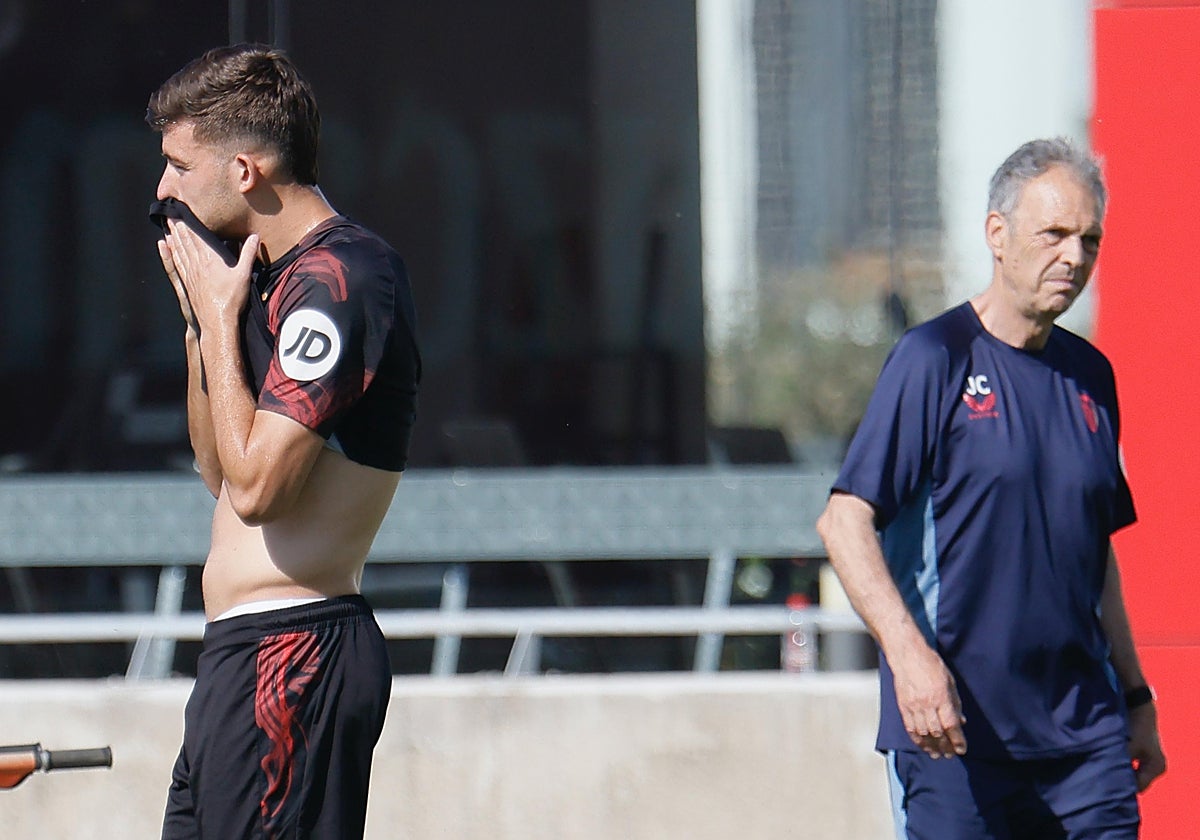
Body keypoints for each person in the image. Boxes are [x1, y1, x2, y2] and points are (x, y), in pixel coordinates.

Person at [815, 137, 1166, 839]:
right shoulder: (933, 359)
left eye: (1090, 239)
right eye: (1055, 234)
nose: (1074, 256)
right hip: (956, 739)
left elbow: (1094, 557)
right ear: (998, 236)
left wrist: (1135, 697)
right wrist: (911, 661)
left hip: (1085, 744)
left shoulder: (1091, 377)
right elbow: (844, 521)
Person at [146, 44, 421, 839]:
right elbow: (219, 469)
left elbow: (264, 491)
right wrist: (205, 322)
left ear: (243, 170)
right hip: (239, 657)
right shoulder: (266, 280)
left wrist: (225, 322)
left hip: (293, 655)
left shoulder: (342, 280)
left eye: (177, 164)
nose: (163, 189)